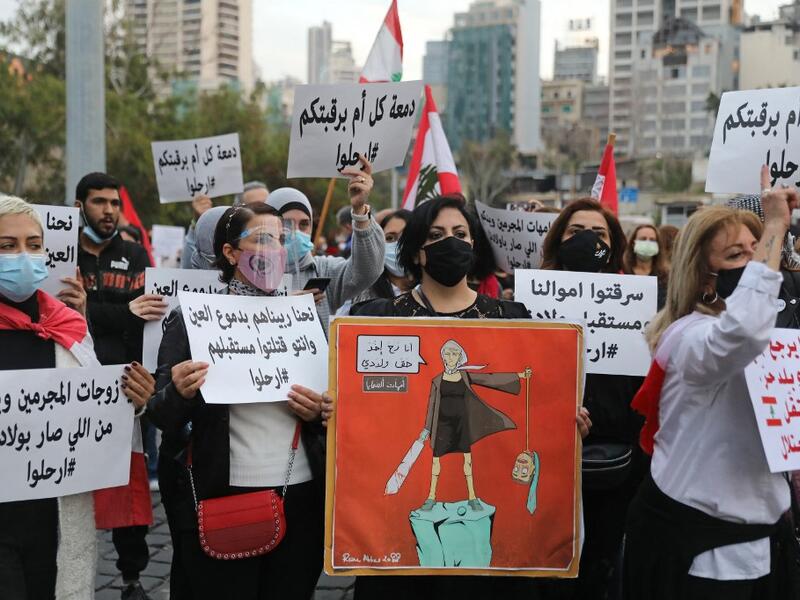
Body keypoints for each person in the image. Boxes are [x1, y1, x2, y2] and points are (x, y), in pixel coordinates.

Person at [346, 195, 591, 599]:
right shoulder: (375, 319)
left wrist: (565, 421)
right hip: (397, 561)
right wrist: (335, 410)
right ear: (417, 253)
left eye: (460, 234)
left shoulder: (515, 321)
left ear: (474, 245)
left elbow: (527, 396)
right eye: (437, 235)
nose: (451, 242)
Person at [625, 168, 799, 599]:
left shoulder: (775, 338)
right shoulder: (688, 338)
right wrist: (775, 223)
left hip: (768, 547)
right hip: (703, 558)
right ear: (705, 277)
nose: (757, 263)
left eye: (757, 250)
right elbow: (740, 334)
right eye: (736, 256)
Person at [147, 203, 327, 600]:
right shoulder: (193, 319)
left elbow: (330, 408)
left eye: (280, 240)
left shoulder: (301, 317)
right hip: (224, 495)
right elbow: (161, 415)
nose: (275, 250)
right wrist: (178, 391)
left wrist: (321, 412)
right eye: (262, 239)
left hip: (300, 494)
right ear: (230, 253)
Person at [0, 195, 155, 599]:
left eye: (34, 245)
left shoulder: (67, 324)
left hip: (56, 520)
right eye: (7, 246)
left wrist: (134, 401)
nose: (23, 256)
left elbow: (94, 408)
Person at [540, 198, 644, 600]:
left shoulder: (636, 303)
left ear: (614, 244)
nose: (587, 240)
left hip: (615, 468)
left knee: (602, 570)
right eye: (575, 232)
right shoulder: (528, 301)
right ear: (558, 241)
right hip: (546, 464)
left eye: (598, 234)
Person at [74, 172, 166, 600]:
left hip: (123, 388)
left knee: (128, 495)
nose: (109, 210)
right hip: (69, 390)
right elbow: (58, 315)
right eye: (99, 202)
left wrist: (93, 311)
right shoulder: (60, 254)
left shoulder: (133, 254)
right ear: (79, 207)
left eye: (114, 202)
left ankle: (132, 579)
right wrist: (120, 312)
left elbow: (145, 317)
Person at [265, 155, 385, 330]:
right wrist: (283, 308)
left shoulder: (324, 271)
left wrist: (359, 211)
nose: (297, 231)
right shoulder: (248, 273)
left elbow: (368, 271)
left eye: (305, 224)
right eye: (287, 224)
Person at [623, 224, 669, 309]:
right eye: (643, 239)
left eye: (652, 240)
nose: (648, 243)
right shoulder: (622, 272)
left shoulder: (666, 276)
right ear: (633, 243)